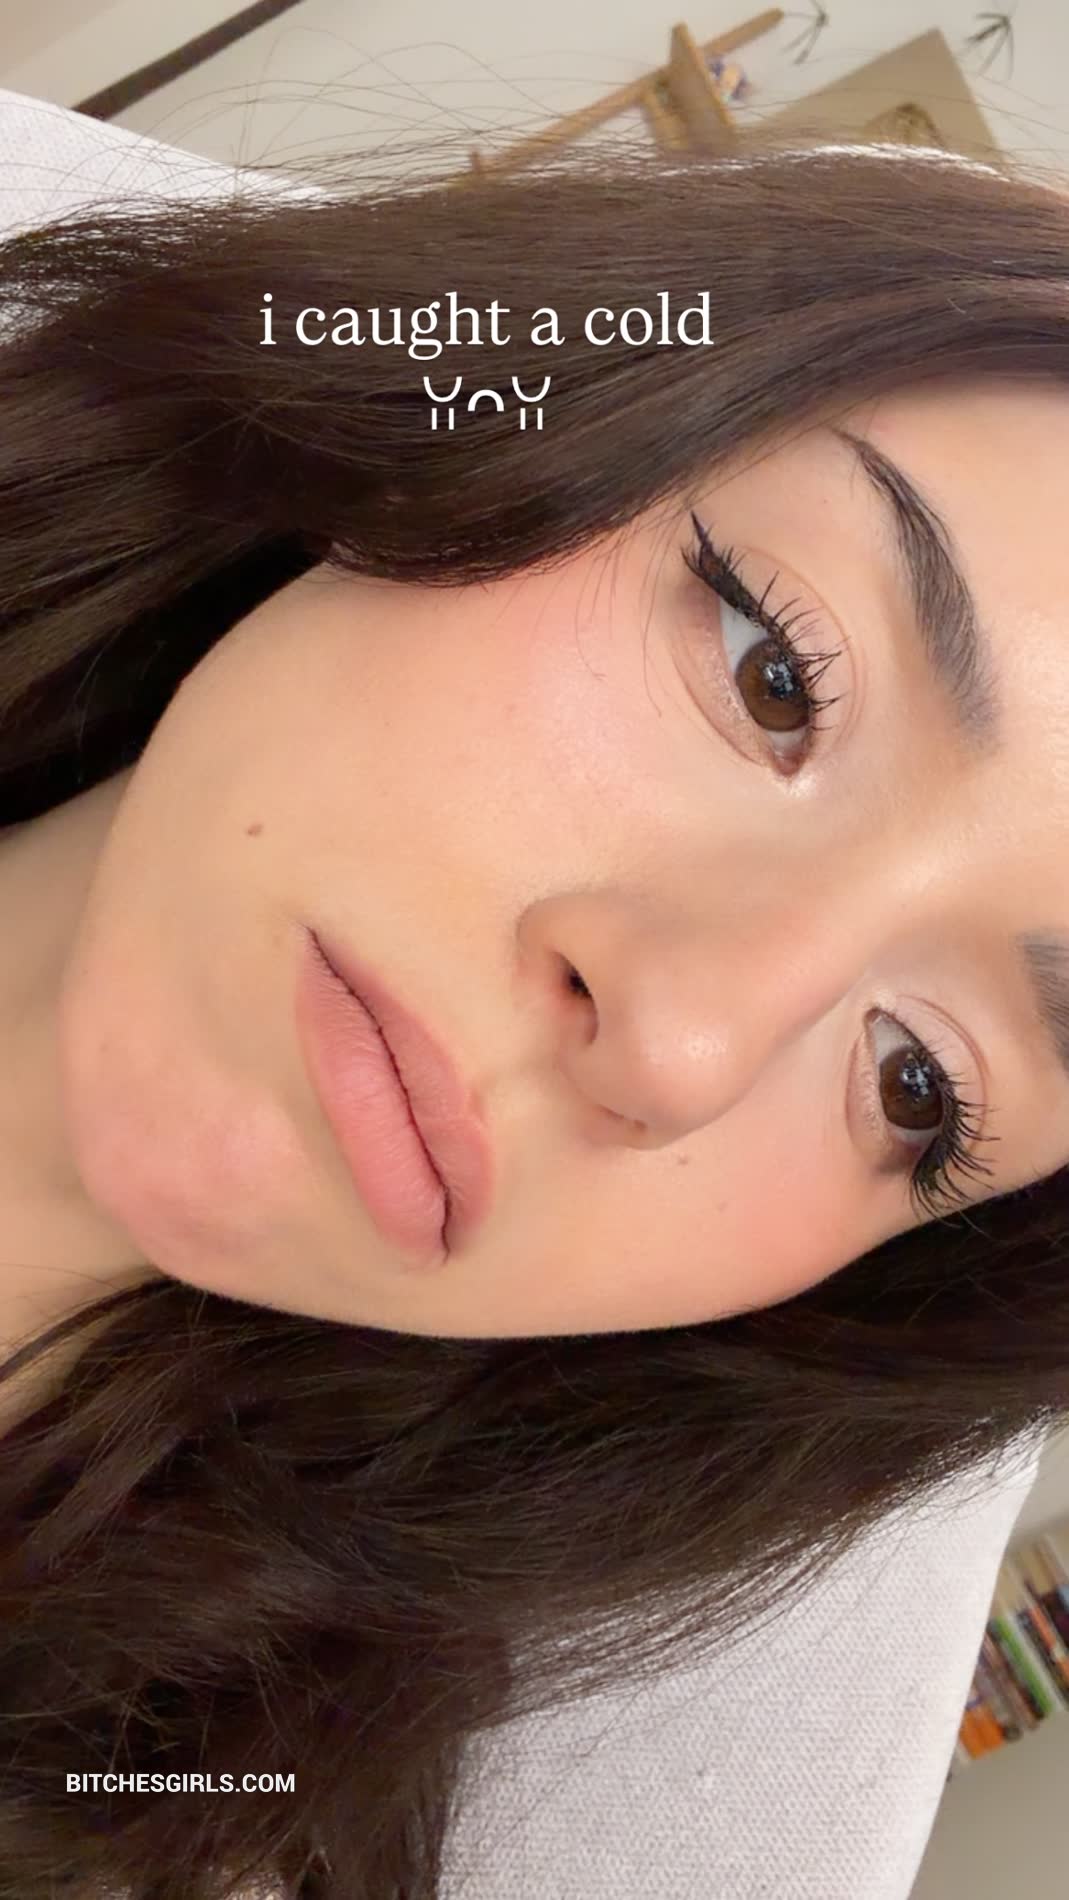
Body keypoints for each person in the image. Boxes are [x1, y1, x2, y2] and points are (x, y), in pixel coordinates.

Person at [0, 124, 1066, 1899]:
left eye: (916, 1087)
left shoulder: (169, 1818)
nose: (682, 1043)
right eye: (771, 673)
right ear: (503, 419)